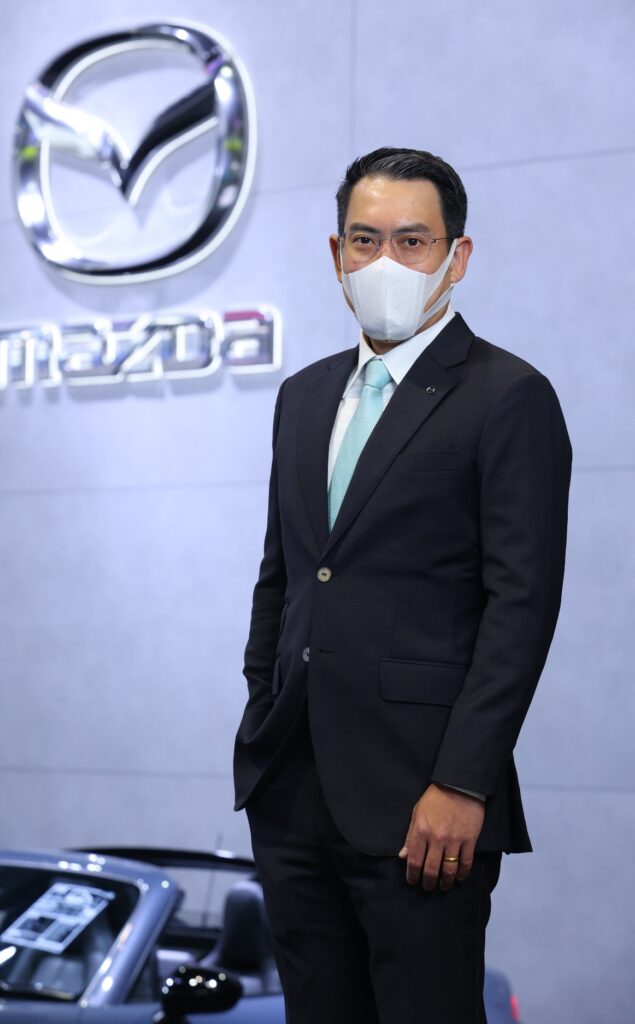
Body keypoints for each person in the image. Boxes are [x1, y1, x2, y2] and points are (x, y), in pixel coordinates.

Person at [233, 147, 572, 1024]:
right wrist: (260, 712)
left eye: (411, 240)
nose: (385, 260)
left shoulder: (508, 396)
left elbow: (520, 607)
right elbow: (285, 574)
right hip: (292, 789)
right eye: (364, 239)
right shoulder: (302, 396)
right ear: (336, 255)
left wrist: (463, 783)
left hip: (424, 801)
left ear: (456, 257)